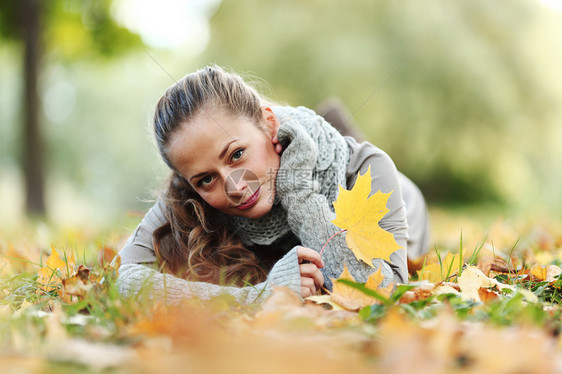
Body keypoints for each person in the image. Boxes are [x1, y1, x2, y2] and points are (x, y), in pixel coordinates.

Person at [116, 65, 430, 305]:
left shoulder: (367, 166)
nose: (235, 187)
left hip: (404, 199)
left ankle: (332, 123)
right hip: (271, 147)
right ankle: (319, 122)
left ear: (269, 124)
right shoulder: (192, 179)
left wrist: (298, 191)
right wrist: (257, 297)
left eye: (237, 154)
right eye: (206, 179)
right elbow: (129, 281)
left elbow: (381, 295)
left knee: (363, 159)